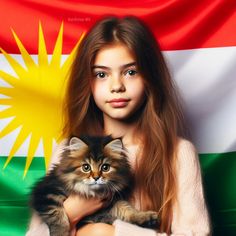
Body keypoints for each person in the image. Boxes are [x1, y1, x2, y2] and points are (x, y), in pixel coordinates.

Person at [26, 16, 211, 236]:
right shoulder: (69, 149)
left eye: (130, 72)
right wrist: (71, 211)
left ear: (150, 77)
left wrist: (109, 232)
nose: (116, 86)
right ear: (88, 82)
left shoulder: (178, 154)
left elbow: (198, 233)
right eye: (101, 74)